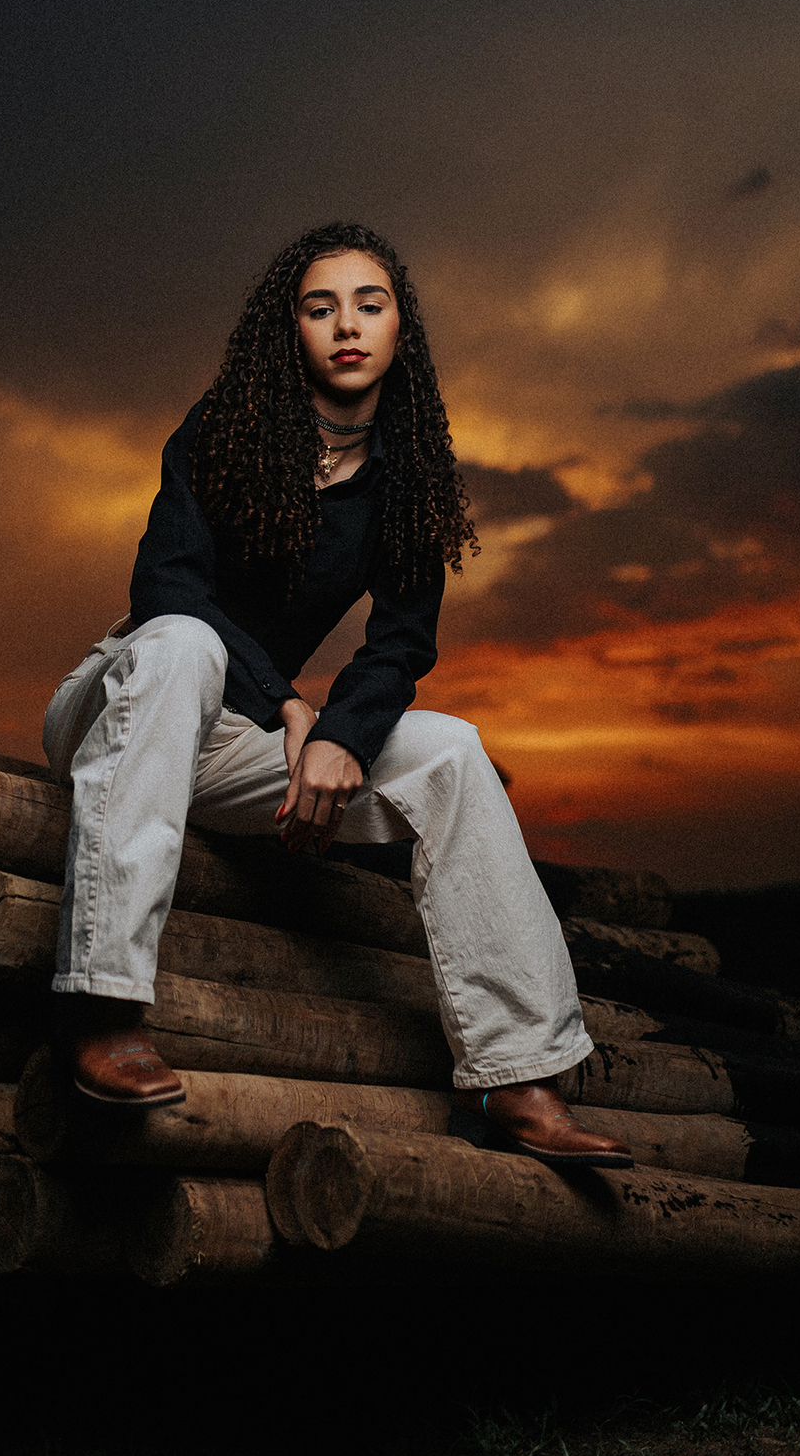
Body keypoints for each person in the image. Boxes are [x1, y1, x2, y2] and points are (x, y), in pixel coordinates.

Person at [42, 223, 631, 1168]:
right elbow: (166, 593)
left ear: (401, 329)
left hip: (228, 748)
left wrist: (343, 737)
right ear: (293, 331)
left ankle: (520, 1076)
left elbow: (401, 645)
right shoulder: (224, 428)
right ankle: (104, 1008)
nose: (346, 325)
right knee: (186, 642)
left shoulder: (409, 479)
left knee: (455, 751)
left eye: (370, 304)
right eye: (321, 307)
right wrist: (290, 707)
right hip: (123, 698)